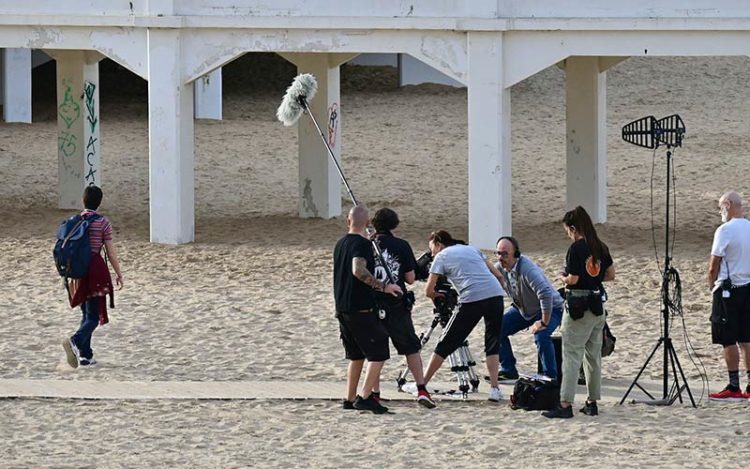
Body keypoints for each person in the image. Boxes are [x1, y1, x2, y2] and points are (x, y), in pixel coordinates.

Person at [543, 206, 614, 419]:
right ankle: (592, 402)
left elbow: (572, 280)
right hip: (596, 304)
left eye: (567, 229)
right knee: (593, 356)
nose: (567, 233)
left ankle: (565, 403)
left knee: (572, 354)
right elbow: (610, 274)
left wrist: (562, 277)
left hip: (577, 304)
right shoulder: (600, 246)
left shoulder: (576, 248)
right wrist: (592, 277)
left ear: (573, 228)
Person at [421, 230, 506, 401]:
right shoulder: (471, 249)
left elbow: (428, 290)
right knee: (492, 341)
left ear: (438, 244)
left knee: (447, 342)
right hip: (496, 296)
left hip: (472, 298)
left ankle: (421, 385)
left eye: (432, 249)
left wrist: (436, 296)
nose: (431, 253)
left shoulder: (441, 256)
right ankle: (495, 389)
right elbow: (498, 275)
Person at [333, 205, 402, 413]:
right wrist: (384, 286)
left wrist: (368, 244)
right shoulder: (362, 245)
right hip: (360, 307)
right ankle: (364, 397)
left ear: (348, 221)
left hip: (342, 306)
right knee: (379, 352)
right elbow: (357, 269)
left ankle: (349, 397)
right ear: (368, 223)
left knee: (356, 355)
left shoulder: (341, 243)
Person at [370, 208, 436, 408]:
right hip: (396, 303)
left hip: (372, 303)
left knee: (374, 352)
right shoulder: (401, 245)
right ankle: (421, 388)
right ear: (395, 225)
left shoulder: (367, 244)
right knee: (411, 347)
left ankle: (374, 393)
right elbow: (410, 278)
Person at [62, 185, 124, 368]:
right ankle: (75, 340)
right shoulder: (102, 223)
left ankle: (85, 356)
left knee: (86, 313)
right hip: (95, 270)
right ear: (99, 203)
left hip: (78, 271)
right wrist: (119, 273)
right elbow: (111, 252)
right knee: (93, 317)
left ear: (83, 201)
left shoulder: (75, 220)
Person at [494, 236, 564, 382]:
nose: (501, 257)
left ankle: (550, 377)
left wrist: (543, 322)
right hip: (524, 309)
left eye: (505, 254)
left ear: (516, 254)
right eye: (498, 253)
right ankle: (508, 370)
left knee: (541, 334)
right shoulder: (499, 268)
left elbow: (545, 293)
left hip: (552, 307)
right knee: (496, 328)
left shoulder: (527, 269)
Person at [707, 191, 750, 401]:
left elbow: (714, 264)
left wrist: (710, 285)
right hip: (747, 287)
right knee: (746, 338)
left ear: (729, 204)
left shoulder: (725, 230)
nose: (720, 211)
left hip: (727, 290)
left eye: (721, 207)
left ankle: (734, 385)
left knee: (728, 338)